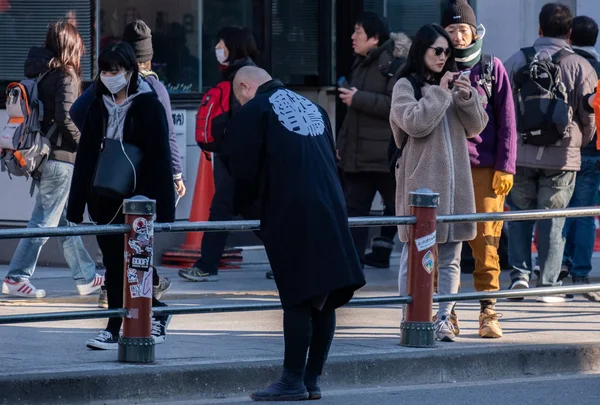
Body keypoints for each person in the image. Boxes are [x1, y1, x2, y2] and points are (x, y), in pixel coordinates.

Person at [223, 66, 366, 401]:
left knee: (298, 297)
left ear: (245, 87)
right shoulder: (313, 108)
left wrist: (252, 213)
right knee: (324, 295)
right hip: (331, 205)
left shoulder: (255, 110)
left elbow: (243, 170)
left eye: (237, 96)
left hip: (291, 210)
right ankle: (312, 379)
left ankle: (291, 381)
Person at [66, 41, 175, 350]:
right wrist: (75, 207)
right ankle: (114, 326)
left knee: (136, 264)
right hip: (104, 198)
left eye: (116, 70)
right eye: (104, 70)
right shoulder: (97, 104)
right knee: (114, 265)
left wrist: (165, 210)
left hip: (137, 199)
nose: (109, 76)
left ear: (130, 71)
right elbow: (86, 155)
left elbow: (160, 158)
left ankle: (152, 314)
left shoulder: (148, 104)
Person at [390, 24, 488, 342]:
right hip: (420, 187)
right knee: (413, 255)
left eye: (448, 52)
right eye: (438, 50)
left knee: (450, 258)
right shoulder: (406, 85)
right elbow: (415, 124)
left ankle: (445, 317)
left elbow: (477, 127)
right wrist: (440, 92)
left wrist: (466, 97)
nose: (444, 56)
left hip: (456, 185)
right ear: (422, 50)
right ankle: (410, 314)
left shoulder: (452, 83)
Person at [2, 21, 103, 299]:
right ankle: (16, 277)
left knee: (65, 223)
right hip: (61, 160)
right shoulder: (67, 76)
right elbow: (66, 118)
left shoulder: (44, 74)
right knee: (43, 222)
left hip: (47, 157)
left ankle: (86, 277)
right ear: (70, 45)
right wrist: (87, 146)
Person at [503, 3, 597, 303]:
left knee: (519, 216)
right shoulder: (579, 65)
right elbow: (590, 113)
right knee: (553, 219)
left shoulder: (517, 59)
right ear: (569, 32)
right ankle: (548, 283)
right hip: (562, 155)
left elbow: (500, 107)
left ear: (539, 28)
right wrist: (582, 140)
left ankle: (518, 277)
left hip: (521, 153)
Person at [442, 0, 517, 338]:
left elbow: (508, 123)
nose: (458, 37)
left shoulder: (491, 67)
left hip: (484, 169)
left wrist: (506, 166)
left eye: (463, 29)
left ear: (474, 32)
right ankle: (448, 310)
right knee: (443, 242)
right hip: (445, 168)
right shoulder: (435, 66)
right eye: (451, 30)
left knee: (487, 241)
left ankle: (488, 311)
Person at [178, 26, 258, 282]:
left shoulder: (244, 78)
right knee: (245, 211)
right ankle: (292, 259)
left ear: (233, 46)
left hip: (238, 159)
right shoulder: (237, 73)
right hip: (234, 158)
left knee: (225, 210)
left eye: (221, 44)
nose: (217, 49)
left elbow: (245, 119)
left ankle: (206, 265)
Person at [336, 12, 412, 269]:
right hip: (357, 156)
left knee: (399, 209)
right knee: (353, 212)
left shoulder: (395, 64)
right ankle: (352, 263)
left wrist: (359, 98)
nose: (353, 37)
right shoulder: (361, 63)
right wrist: (342, 146)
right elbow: (352, 116)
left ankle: (411, 261)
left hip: (384, 156)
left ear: (375, 37)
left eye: (358, 31)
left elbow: (396, 105)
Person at [561, 15, 600, 302]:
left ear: (570, 35)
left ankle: (559, 266)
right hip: (596, 149)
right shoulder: (598, 68)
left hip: (568, 147)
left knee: (560, 210)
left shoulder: (566, 65)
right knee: (585, 213)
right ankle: (582, 273)